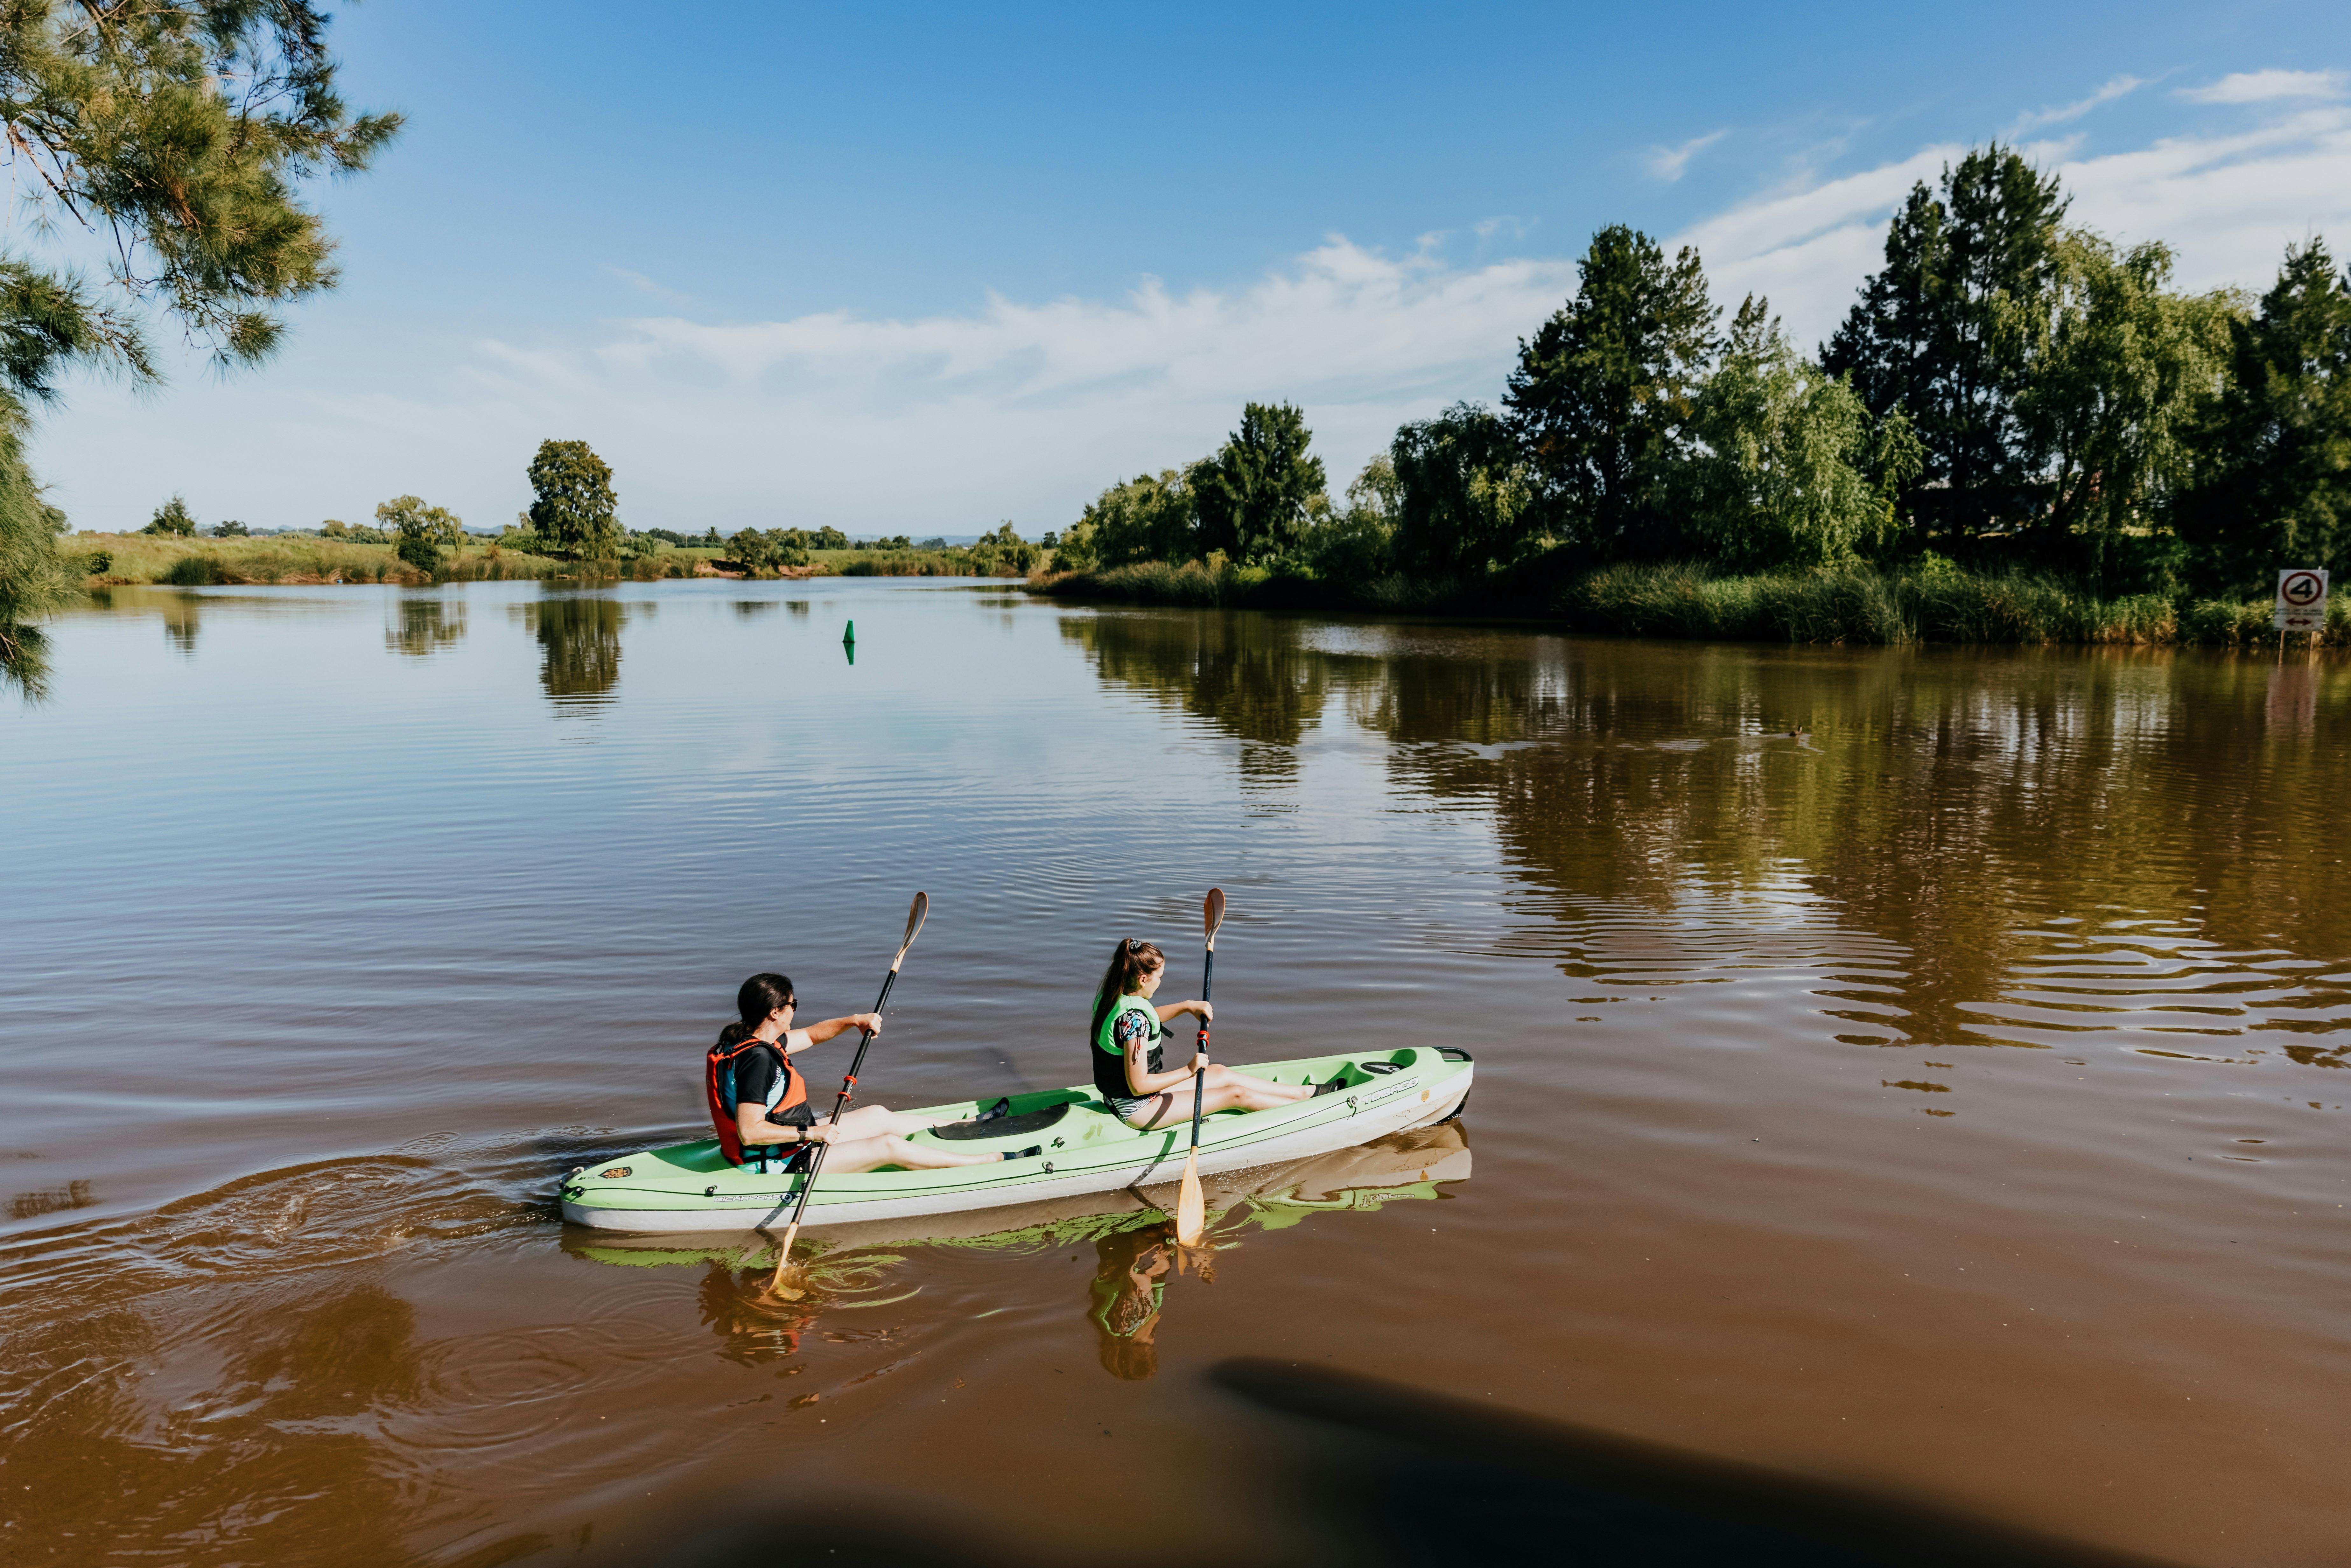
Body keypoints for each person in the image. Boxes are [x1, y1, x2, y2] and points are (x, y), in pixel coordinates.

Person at [708, 973, 1034, 1173]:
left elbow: (811, 1035)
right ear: (775, 1012)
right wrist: (813, 1135)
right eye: (793, 1004)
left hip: (789, 1145)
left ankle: (964, 1126)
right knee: (887, 1146)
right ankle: (987, 1163)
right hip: (778, 1163)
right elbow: (750, 1132)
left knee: (877, 1115)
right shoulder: (758, 1061)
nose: (795, 1010)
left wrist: (855, 1021)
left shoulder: (750, 1041)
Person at [1088, 938, 1335, 1130]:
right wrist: (1189, 1069)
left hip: (1122, 1098)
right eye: (1159, 978)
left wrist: (1187, 1006)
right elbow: (1139, 1086)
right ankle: (1309, 1116)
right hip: (1138, 1109)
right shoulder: (1135, 1020)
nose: (1160, 982)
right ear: (1143, 979)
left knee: (1220, 1072)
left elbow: (1143, 1020)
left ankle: (1304, 1094)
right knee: (1236, 1095)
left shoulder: (1111, 998)